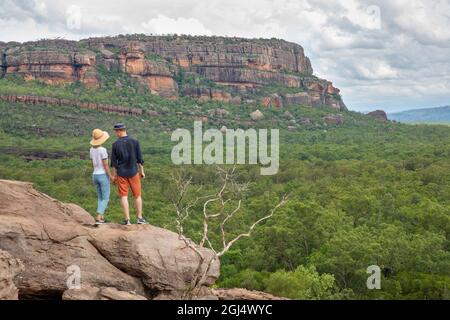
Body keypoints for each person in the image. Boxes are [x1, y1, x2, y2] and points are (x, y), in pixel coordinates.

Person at [110, 123, 148, 225]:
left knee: (124, 196)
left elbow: (114, 163)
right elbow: (140, 159)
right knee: (137, 196)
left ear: (119, 131)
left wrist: (114, 176)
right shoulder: (134, 141)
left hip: (121, 173)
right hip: (133, 172)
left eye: (115, 131)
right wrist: (142, 171)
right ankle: (139, 218)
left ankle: (127, 220)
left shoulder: (115, 145)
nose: (115, 133)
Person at [89, 128, 113, 225]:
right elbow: (105, 165)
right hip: (103, 175)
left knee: (100, 197)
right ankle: (99, 216)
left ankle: (102, 217)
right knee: (106, 198)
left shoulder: (91, 149)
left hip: (95, 175)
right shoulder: (103, 150)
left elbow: (92, 164)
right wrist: (110, 176)